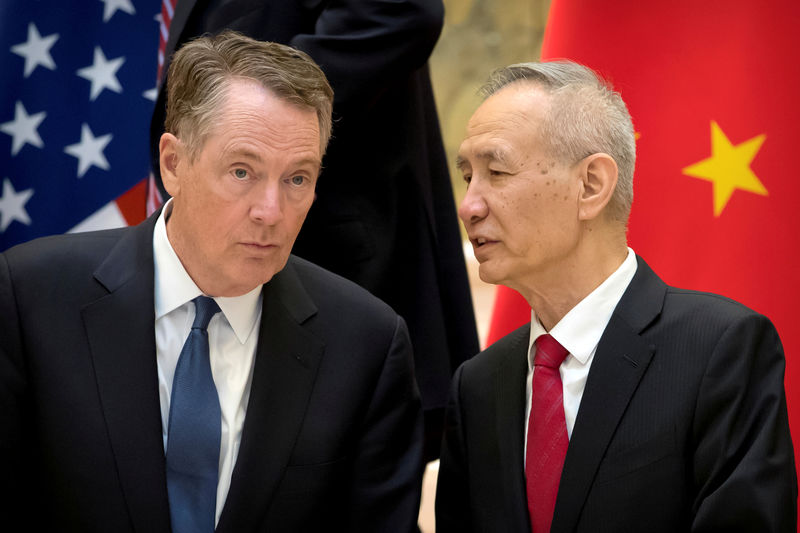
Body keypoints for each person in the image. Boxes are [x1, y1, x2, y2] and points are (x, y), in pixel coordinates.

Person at [0, 31, 423, 532]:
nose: (271, 212)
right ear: (173, 164)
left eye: (297, 178)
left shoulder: (366, 344)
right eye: (242, 172)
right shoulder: (29, 297)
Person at [435, 60, 797, 532]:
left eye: (497, 172)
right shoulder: (477, 385)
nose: (469, 206)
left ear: (591, 186)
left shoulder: (720, 350)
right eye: (467, 177)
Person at [150, 0, 480, 460]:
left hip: (334, 258)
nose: (269, 209)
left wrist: (253, 110)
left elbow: (402, 10)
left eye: (297, 177)